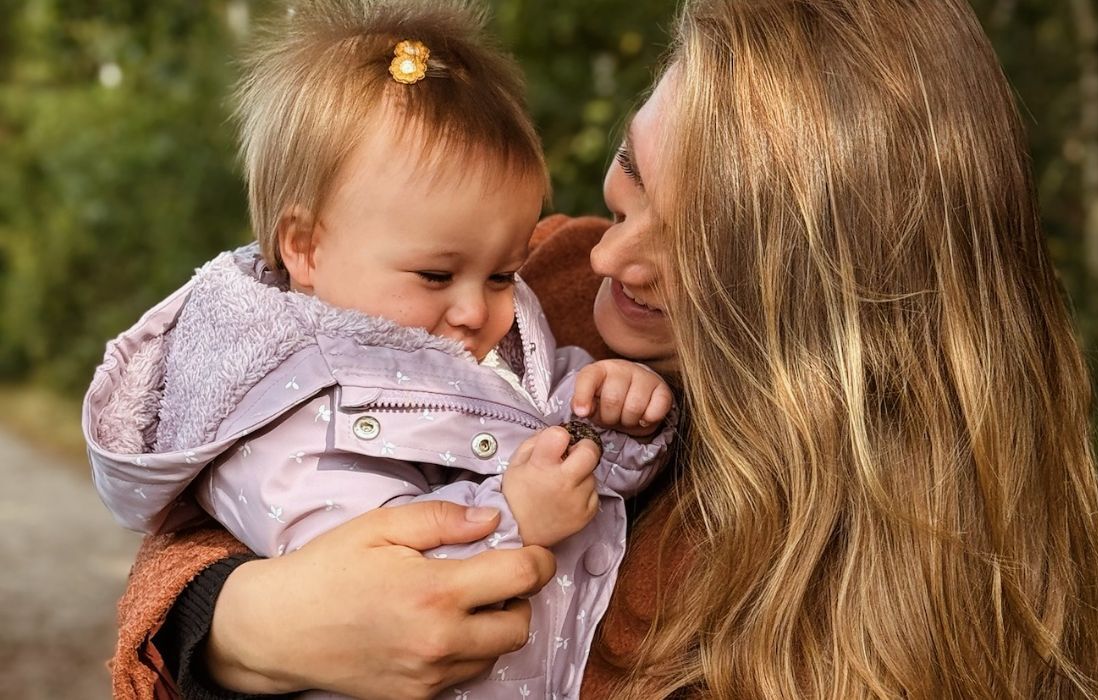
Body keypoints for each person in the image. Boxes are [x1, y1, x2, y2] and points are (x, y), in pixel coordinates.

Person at [104, 0, 1098, 697]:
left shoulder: (910, 556)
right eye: (632, 174)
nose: (618, 253)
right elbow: (204, 508)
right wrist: (248, 627)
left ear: (841, 288)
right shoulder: (533, 277)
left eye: (705, 239)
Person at [82, 2, 674, 698]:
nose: (476, 309)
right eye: (435, 275)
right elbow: (381, 594)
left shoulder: (488, 331)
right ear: (304, 245)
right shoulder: (293, 408)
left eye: (502, 275)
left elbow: (548, 434)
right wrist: (519, 518)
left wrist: (609, 423)